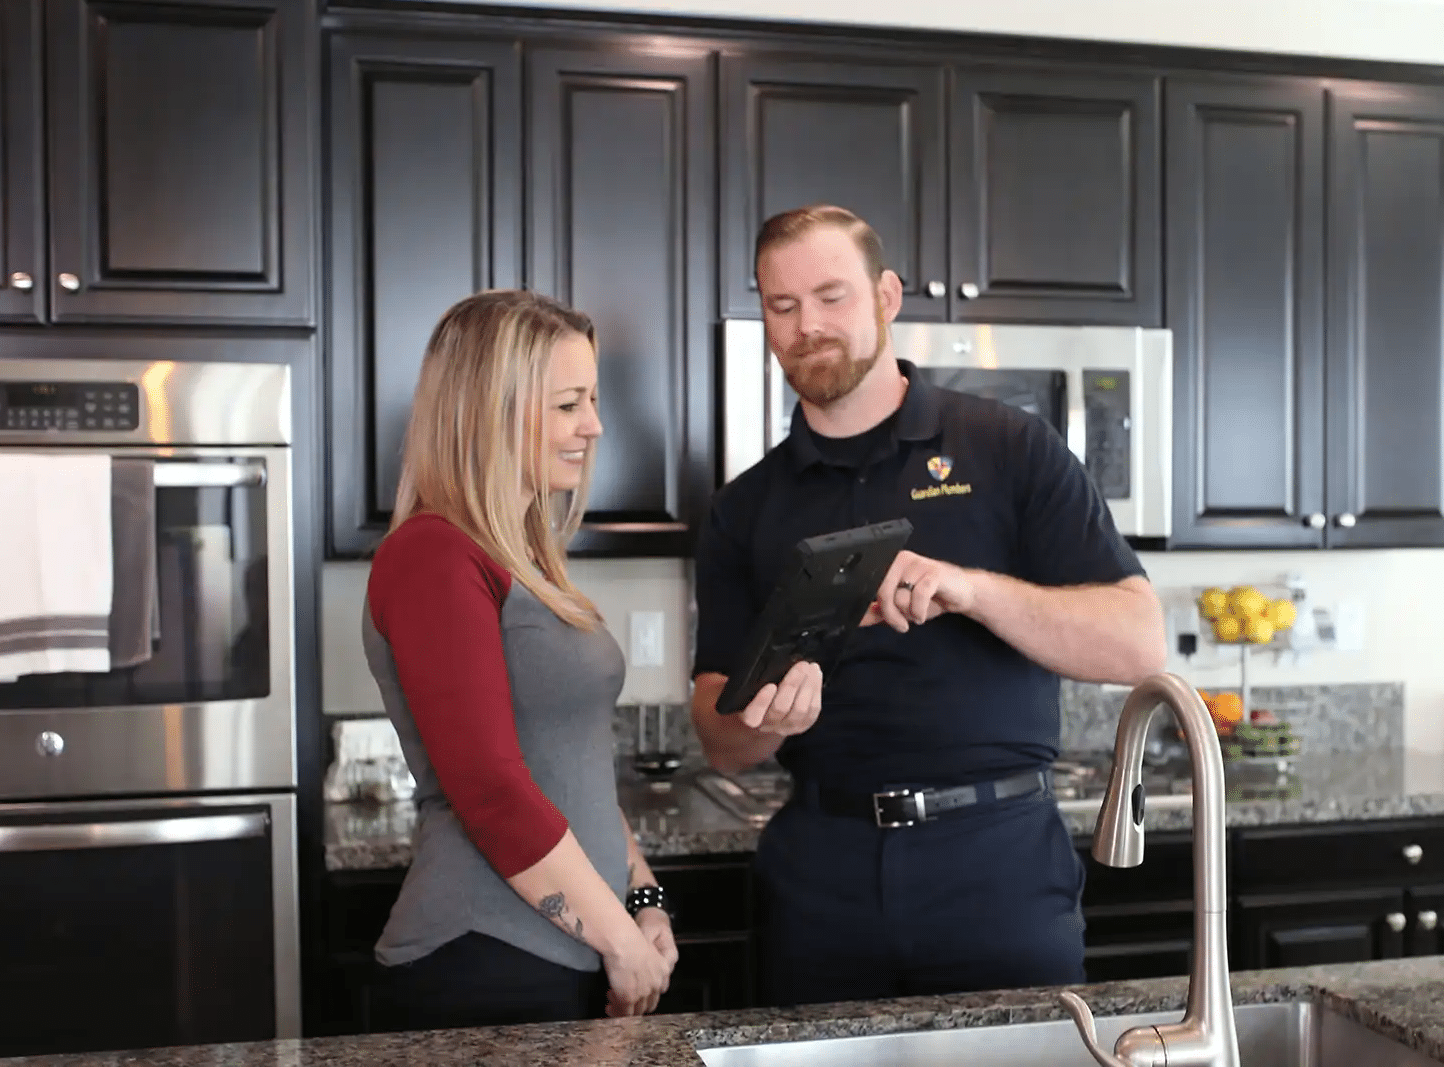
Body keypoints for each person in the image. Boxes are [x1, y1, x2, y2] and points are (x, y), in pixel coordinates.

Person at [690, 205, 1168, 1008]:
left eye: (831, 296)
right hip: (821, 872)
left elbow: (1138, 643)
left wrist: (975, 591)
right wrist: (760, 721)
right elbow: (717, 736)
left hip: (997, 864)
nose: (808, 325)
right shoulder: (744, 508)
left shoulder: (1010, 448)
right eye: (782, 306)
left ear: (886, 295)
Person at [363, 289, 677, 1031]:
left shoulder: (525, 557)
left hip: (574, 951)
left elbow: (575, 770)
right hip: (484, 965)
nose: (594, 426)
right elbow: (492, 791)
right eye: (569, 404)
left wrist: (644, 903)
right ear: (489, 409)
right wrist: (620, 942)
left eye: (592, 400)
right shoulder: (433, 554)